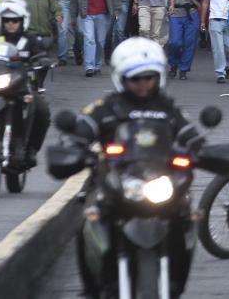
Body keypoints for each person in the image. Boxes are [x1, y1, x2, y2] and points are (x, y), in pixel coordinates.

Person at [72, 37, 204, 297]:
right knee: (86, 223)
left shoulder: (168, 109)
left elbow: (192, 136)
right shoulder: (106, 108)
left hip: (162, 184)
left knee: (186, 215)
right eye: (136, 79)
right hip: (116, 185)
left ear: (159, 77)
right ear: (121, 78)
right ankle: (92, 287)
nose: (143, 84)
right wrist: (73, 148)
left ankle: (176, 282)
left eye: (149, 77)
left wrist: (202, 151)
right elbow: (80, 131)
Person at [0, 0, 50, 167]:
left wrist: (42, 61)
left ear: (22, 21)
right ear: (1, 21)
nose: (11, 24)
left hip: (21, 86)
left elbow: (41, 55)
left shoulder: (30, 41)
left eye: (15, 21)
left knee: (42, 109)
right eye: (7, 21)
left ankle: (31, 150)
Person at [167, 0, 203, 80]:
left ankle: (183, 69)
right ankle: (173, 64)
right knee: (174, 43)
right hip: (176, 13)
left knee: (189, 43)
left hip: (191, 13)